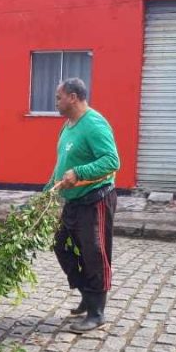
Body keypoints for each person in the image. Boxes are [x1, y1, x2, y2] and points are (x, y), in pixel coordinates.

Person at [47, 78, 120, 333]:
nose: (56, 102)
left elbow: (112, 161)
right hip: (74, 201)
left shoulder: (94, 124)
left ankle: (97, 312)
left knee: (95, 254)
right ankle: (86, 295)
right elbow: (61, 165)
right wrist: (46, 193)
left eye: (59, 97)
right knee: (61, 246)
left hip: (96, 199)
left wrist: (79, 172)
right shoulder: (67, 126)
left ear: (74, 97)